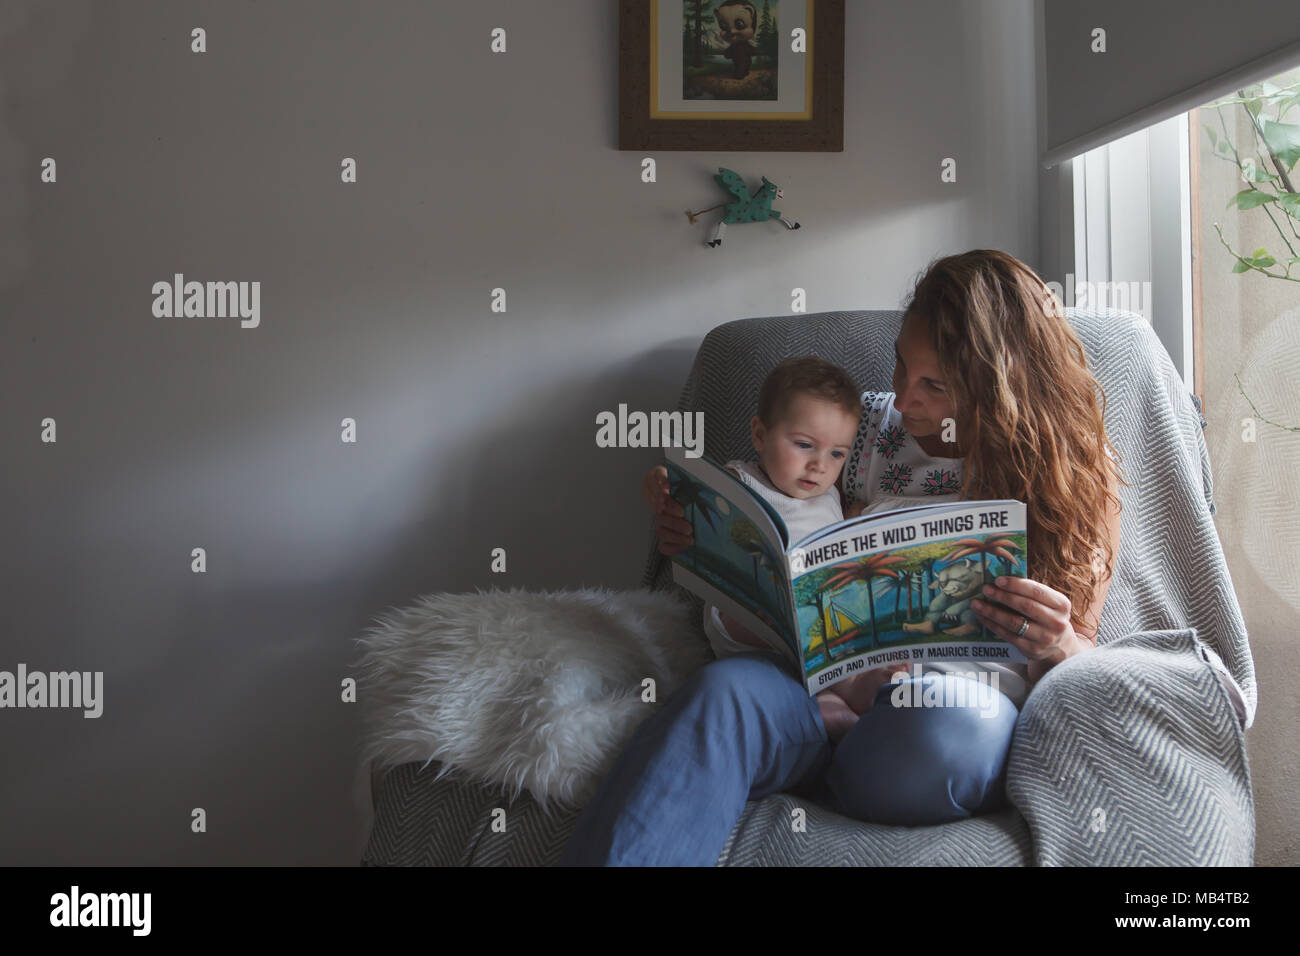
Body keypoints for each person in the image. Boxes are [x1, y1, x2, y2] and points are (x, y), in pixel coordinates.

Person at [558, 249, 1127, 867]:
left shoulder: (1072, 480)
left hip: (935, 718)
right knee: (725, 694)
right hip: (812, 691)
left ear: (1002, 383)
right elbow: (793, 533)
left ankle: (843, 762)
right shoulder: (867, 434)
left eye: (934, 385)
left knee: (949, 722)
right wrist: (692, 523)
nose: (904, 399)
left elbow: (1084, 666)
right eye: (901, 367)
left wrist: (1059, 643)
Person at [687, 355, 912, 741]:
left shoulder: (831, 498)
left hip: (819, 638)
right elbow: (688, 499)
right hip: (749, 624)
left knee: (851, 639)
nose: (819, 466)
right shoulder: (739, 481)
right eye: (805, 445)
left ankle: (836, 708)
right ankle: (845, 694)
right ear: (760, 435)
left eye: (837, 454)